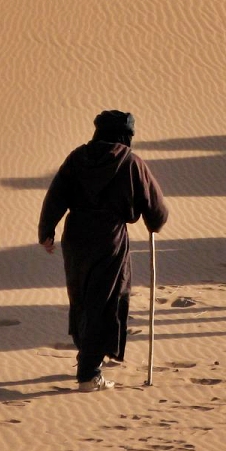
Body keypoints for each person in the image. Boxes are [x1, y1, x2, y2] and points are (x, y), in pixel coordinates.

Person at [39, 110, 169, 392]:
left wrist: (47, 231)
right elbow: (156, 206)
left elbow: (56, 194)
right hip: (109, 239)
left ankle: (87, 358)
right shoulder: (130, 162)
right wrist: (154, 222)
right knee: (105, 301)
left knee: (82, 297)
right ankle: (88, 373)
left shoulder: (77, 158)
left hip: (75, 238)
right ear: (125, 135)